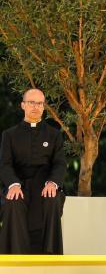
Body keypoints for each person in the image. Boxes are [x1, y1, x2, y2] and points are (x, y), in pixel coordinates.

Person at [0, 89, 66, 254]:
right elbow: (5, 165)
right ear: (23, 105)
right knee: (12, 202)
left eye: (39, 103)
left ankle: (51, 256)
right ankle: (16, 258)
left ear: (43, 107)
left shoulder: (55, 135)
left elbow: (60, 164)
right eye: (31, 102)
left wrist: (52, 183)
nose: (35, 107)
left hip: (45, 186)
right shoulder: (9, 135)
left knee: (53, 199)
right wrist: (13, 185)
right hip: (19, 185)